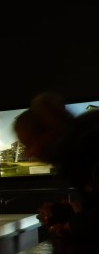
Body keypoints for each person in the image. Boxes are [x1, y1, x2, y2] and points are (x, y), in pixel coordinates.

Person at [14, 92, 99, 245]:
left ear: (48, 132)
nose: (29, 154)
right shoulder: (81, 151)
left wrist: (75, 224)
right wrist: (67, 213)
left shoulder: (91, 148)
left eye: (29, 144)